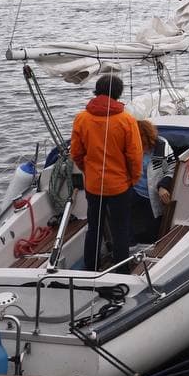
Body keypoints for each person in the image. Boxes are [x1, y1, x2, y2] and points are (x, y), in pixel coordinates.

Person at [70, 74, 143, 271]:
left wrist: (89, 171)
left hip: (94, 184)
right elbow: (135, 155)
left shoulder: (82, 118)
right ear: (118, 94)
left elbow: (76, 153)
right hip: (120, 185)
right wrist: (133, 178)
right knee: (120, 229)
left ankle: (91, 266)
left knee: (94, 227)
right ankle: (121, 270)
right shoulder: (126, 120)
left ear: (97, 90)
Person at [131, 119, 175, 243]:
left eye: (143, 143)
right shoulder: (129, 147)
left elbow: (170, 170)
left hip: (154, 196)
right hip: (135, 193)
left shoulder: (162, 147)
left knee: (153, 231)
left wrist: (163, 186)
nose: (141, 147)